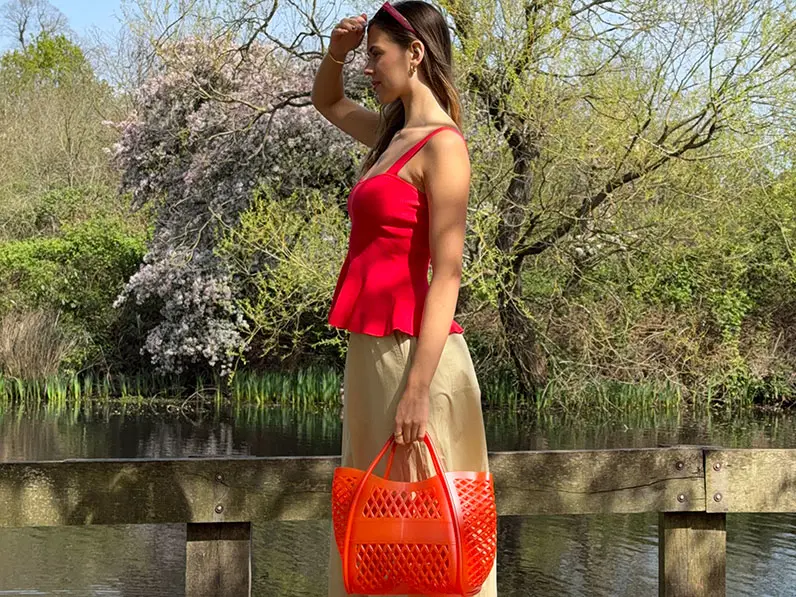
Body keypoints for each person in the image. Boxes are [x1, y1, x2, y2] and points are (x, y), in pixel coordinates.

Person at [311, 2, 497, 595]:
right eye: (366, 55)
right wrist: (338, 51)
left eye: (376, 53)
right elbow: (329, 103)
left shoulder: (443, 147)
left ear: (414, 53)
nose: (369, 66)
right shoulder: (391, 134)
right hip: (371, 356)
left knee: (429, 529)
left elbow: (447, 275)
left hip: (415, 359)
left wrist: (416, 390)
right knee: (376, 529)